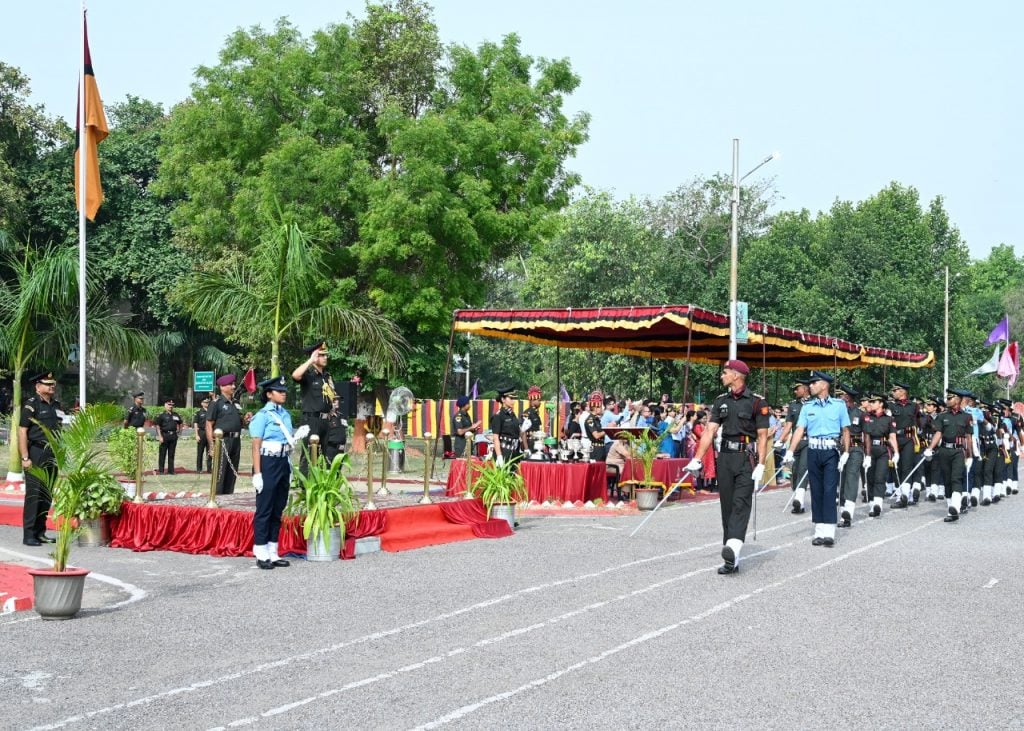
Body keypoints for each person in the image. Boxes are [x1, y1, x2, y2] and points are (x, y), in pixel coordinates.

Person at [685, 359, 769, 574]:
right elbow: (710, 431)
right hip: (725, 457)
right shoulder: (720, 401)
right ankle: (732, 554)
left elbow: (762, 435)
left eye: (725, 372)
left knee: (741, 503)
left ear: (737, 375)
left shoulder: (757, 402)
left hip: (745, 458)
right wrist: (698, 458)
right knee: (727, 505)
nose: (722, 376)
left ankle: (732, 548)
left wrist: (761, 463)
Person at [782, 371, 851, 547]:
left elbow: (845, 431)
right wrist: (790, 451)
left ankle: (829, 531)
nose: (810, 386)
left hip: (830, 452)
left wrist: (846, 452)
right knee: (817, 490)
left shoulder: (838, 405)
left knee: (829, 490)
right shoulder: (807, 407)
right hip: (813, 450)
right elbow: (799, 430)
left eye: (814, 383)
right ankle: (819, 530)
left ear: (824, 385)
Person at [249, 376, 295, 570]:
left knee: (278, 508)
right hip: (267, 462)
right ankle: (260, 551)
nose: (283, 393)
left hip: (282, 461)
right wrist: (258, 473)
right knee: (265, 508)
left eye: (284, 391)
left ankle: (273, 551)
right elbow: (256, 445)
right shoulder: (263, 415)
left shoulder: (285, 414)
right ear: (269, 394)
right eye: (279, 391)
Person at [19, 372, 62, 546]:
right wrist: (25, 457)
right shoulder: (31, 405)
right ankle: (29, 534)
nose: (51, 386)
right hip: (36, 452)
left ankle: (40, 531)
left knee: (46, 494)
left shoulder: (56, 405)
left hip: (51, 454)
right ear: (38, 387)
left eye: (53, 384)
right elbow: (22, 430)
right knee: (34, 494)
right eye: (47, 384)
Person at [924, 389, 975, 523]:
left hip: (959, 451)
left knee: (956, 478)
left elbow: (968, 437)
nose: (947, 401)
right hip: (944, 450)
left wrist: (970, 455)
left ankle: (955, 507)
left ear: (957, 400)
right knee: (947, 480)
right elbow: (938, 434)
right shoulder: (942, 416)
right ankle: (951, 509)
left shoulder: (966, 417)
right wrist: (930, 448)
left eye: (950, 398)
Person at [291, 339, 337, 471]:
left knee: (324, 454)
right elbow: (295, 375)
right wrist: (310, 361)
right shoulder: (309, 374)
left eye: (325, 355)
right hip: (311, 420)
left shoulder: (326, 376)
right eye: (321, 355)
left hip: (325, 420)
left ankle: (320, 485)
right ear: (314, 356)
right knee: (309, 454)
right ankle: (305, 486)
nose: (325, 357)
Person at [861, 391, 899, 517]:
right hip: (870, 450)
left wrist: (896, 453)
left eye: (873, 402)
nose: (870, 404)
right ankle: (872, 503)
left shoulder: (889, 419)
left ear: (881, 404)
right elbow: (866, 437)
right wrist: (867, 455)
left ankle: (878, 503)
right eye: (870, 401)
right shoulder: (867, 417)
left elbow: (892, 437)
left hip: (883, 450)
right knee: (870, 478)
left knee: (880, 477)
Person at [207, 374, 244, 495]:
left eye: (234, 384)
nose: (234, 386)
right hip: (223, 441)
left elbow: (239, 421)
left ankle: (229, 497)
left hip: (236, 441)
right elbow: (209, 424)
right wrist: (212, 446)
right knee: (220, 473)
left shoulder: (236, 403)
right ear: (222, 387)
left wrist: (246, 419)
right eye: (231, 384)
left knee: (232, 473)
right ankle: (217, 497)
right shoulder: (216, 403)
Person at [778, 379, 811, 513]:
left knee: (803, 468)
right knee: (795, 471)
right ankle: (798, 496)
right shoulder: (793, 405)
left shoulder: (814, 403)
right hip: (795, 442)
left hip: (809, 441)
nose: (795, 391)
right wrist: (780, 440)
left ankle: (799, 500)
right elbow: (789, 425)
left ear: (805, 389)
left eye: (798, 388)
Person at [835, 383, 864, 528]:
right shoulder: (837, 412)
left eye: (840, 396)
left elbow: (868, 435)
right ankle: (842, 511)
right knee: (842, 479)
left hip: (855, 449)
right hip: (839, 449)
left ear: (847, 398)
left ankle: (848, 512)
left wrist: (868, 455)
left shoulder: (860, 413)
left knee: (852, 478)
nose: (838, 398)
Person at [887, 383, 919, 507]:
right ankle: (899, 495)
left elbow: (918, 422)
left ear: (903, 392)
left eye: (896, 390)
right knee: (895, 467)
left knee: (906, 466)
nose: (893, 392)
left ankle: (905, 495)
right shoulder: (890, 406)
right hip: (894, 439)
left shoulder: (914, 406)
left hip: (908, 439)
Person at [152, 399, 183, 475]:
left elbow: (181, 423)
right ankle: (161, 470)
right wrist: (160, 436)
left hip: (173, 436)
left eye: (172, 405)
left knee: (171, 454)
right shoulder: (161, 415)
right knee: (162, 454)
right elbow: (158, 426)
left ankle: (171, 470)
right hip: (164, 435)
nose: (171, 406)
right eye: (169, 404)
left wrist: (179, 432)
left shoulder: (175, 414)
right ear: (165, 405)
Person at [323, 397, 349, 466]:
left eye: (337, 400)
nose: (337, 402)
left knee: (338, 472)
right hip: (330, 449)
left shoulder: (341, 415)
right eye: (334, 400)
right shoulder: (326, 417)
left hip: (341, 450)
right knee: (329, 471)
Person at [584, 392, 607, 461]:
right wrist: (607, 430)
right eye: (600, 407)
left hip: (602, 448)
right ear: (596, 408)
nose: (602, 409)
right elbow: (596, 435)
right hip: (596, 449)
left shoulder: (597, 419)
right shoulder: (590, 420)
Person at [521, 386, 544, 451]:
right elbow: (523, 432)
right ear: (533, 400)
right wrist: (526, 449)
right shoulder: (527, 413)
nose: (540, 402)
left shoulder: (536, 413)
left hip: (537, 443)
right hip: (530, 443)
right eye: (538, 400)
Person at [193, 397, 212, 473]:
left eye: (208, 402)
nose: (207, 403)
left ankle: (209, 468)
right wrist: (196, 435)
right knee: (200, 452)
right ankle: (199, 469)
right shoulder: (198, 412)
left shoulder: (211, 412)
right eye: (205, 402)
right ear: (202, 403)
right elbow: (195, 424)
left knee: (210, 451)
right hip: (202, 432)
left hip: (209, 433)